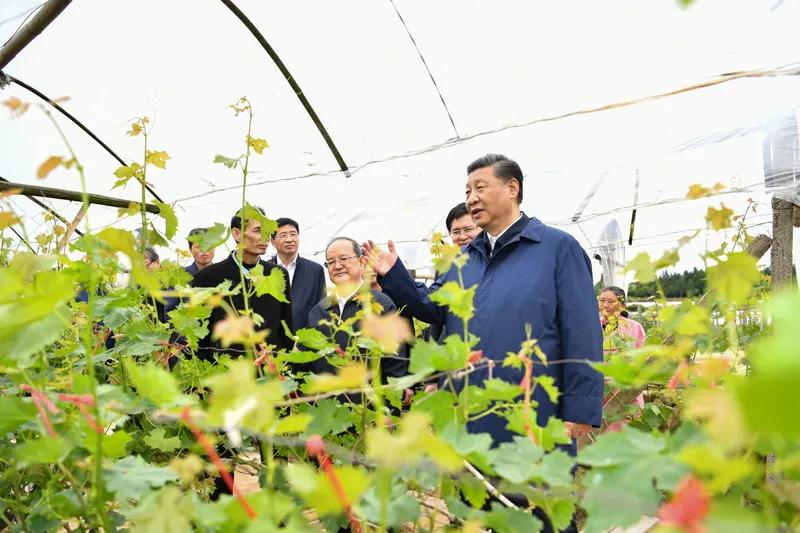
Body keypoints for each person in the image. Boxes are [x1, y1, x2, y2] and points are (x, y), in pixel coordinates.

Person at [364, 154, 603, 449]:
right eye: (467, 192)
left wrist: (580, 408)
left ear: (512, 188)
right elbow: (433, 305)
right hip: (468, 410)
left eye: (480, 188)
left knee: (532, 477)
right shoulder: (464, 260)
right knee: (471, 477)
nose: (471, 199)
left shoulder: (557, 248)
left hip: (534, 410)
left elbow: (582, 330)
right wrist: (394, 275)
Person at [191, 207, 293, 361]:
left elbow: (286, 329)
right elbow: (199, 337)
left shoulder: (277, 274)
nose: (265, 237)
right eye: (258, 230)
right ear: (236, 233)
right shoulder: (207, 278)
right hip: (227, 370)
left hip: (270, 368)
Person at [307, 237, 408, 387]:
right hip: (326, 398)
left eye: (344, 259)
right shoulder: (319, 311)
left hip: (368, 399)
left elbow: (395, 364)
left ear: (361, 262)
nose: (337, 266)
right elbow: (309, 362)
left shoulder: (381, 305)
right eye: (331, 262)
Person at [270, 217, 326, 331]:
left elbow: (321, 309)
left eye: (293, 234)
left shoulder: (315, 271)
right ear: (272, 241)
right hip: (271, 339)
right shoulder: (263, 271)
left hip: (304, 337)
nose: (289, 239)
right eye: (283, 235)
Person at [598, 286, 646, 355]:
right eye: (602, 300)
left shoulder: (635, 327)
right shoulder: (592, 326)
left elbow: (642, 355)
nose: (605, 305)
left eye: (611, 301)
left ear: (623, 306)